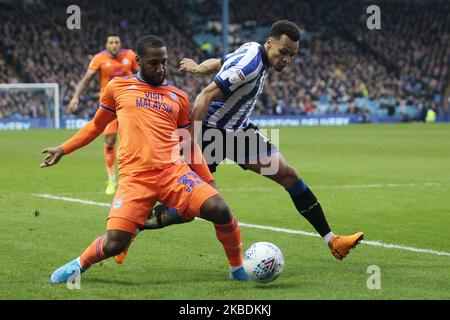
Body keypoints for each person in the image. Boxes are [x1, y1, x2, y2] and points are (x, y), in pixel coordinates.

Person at [125, 20, 363, 263]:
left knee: (289, 176)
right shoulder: (250, 64)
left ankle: (333, 240)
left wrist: (198, 68)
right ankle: (133, 226)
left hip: (239, 134)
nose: (287, 60)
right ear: (269, 43)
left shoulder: (251, 50)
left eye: (292, 55)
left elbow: (219, 63)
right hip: (211, 134)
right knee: (185, 209)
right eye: (283, 52)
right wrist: (192, 143)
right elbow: (203, 97)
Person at [41, 35, 251, 284]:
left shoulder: (178, 97)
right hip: (134, 179)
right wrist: (63, 149)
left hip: (173, 173)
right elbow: (95, 126)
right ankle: (79, 264)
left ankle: (237, 270)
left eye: (164, 62)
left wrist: (208, 180)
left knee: (221, 210)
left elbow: (188, 144)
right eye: (154, 63)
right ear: (138, 61)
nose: (160, 68)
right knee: (114, 243)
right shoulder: (117, 88)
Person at [69, 33, 138, 195]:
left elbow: (141, 75)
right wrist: (76, 96)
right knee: (109, 141)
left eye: (116, 42)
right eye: (111, 42)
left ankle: (130, 178)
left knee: (132, 141)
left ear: (120, 43)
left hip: (130, 105)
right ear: (106, 45)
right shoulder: (99, 59)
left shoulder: (130, 55)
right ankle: (111, 179)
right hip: (109, 107)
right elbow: (87, 79)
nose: (114, 45)